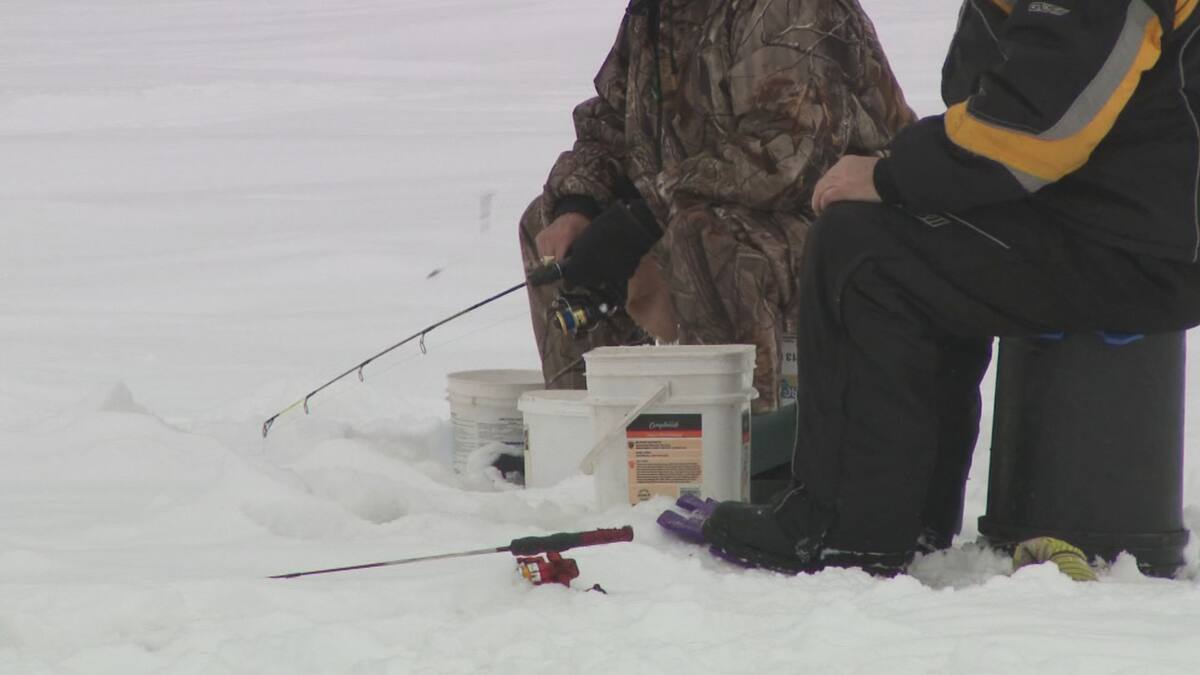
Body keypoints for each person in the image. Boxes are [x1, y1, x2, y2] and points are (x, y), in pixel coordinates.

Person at [702, 0, 1200, 574]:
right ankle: (906, 516)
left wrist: (894, 174)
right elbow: (989, 96)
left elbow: (1041, 122)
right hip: (1109, 220)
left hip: (1139, 245)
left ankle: (846, 527)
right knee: (909, 240)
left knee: (863, 253)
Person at [518, 0, 913, 413]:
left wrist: (646, 215)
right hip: (705, 204)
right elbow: (613, 122)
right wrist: (577, 207)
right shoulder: (656, 11)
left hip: (845, 222)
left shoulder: (786, 8)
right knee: (552, 234)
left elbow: (788, 156)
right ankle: (589, 441)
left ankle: (745, 452)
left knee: (704, 240)